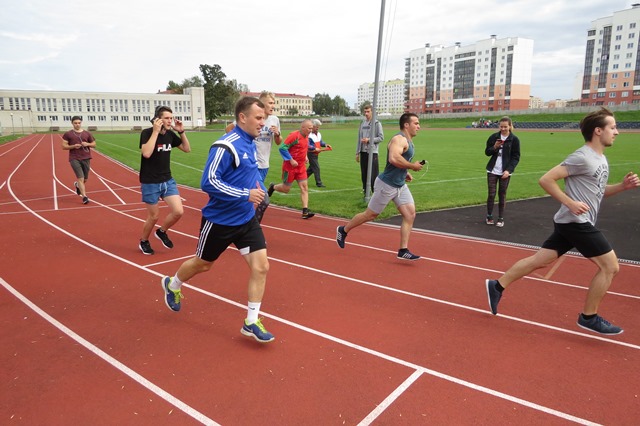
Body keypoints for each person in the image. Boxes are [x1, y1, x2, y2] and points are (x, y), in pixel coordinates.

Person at [485, 107, 640, 335]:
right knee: (610, 266)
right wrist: (570, 203)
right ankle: (589, 317)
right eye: (613, 127)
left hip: (572, 221)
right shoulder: (582, 157)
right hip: (576, 222)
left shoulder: (600, 159)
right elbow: (546, 179)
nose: (616, 132)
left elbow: (599, 191)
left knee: (540, 260)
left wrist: (622, 187)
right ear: (598, 131)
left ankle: (496, 286)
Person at [161, 96, 275, 343]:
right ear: (242, 118)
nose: (262, 123)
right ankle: (173, 283)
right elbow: (208, 182)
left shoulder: (251, 143)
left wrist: (258, 188)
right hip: (220, 221)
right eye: (258, 117)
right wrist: (246, 194)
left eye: (264, 118)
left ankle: (251, 321)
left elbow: (248, 173)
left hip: (245, 220)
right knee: (203, 264)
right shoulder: (226, 146)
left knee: (261, 266)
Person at [336, 113, 424, 260]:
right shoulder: (399, 139)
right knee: (370, 215)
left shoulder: (409, 141)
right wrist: (411, 166)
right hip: (387, 185)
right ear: (406, 125)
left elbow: (398, 161)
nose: (418, 126)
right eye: (416, 123)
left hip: (400, 185)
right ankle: (343, 230)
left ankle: (403, 250)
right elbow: (394, 158)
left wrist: (405, 171)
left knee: (410, 214)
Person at [138, 106, 191, 255]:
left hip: (167, 180)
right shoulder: (147, 133)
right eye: (167, 118)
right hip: (150, 181)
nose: (170, 121)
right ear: (158, 119)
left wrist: (181, 132)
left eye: (171, 118)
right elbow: (146, 153)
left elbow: (187, 149)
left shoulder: (170, 134)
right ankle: (144, 240)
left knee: (178, 211)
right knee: (154, 216)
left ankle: (162, 231)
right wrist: (155, 131)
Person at [226, 91, 281, 222]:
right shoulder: (251, 116)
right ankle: (252, 228)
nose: (273, 105)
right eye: (270, 103)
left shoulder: (274, 120)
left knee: (251, 198)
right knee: (263, 199)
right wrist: (244, 144)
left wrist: (278, 134)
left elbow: (279, 142)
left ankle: (239, 222)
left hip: (264, 165)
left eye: (274, 103)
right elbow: (229, 129)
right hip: (251, 164)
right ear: (262, 104)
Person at [268, 119, 316, 219]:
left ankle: (305, 212)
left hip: (301, 167)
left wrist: (305, 157)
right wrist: (291, 159)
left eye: (312, 128)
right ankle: (273, 187)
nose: (311, 130)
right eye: (309, 128)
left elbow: (303, 148)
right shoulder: (294, 136)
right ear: (302, 127)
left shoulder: (307, 136)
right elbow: (282, 148)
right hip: (290, 167)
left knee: (304, 188)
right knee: (286, 189)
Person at [484, 116, 521, 227]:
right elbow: (487, 152)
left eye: (505, 127)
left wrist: (509, 170)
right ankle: (489, 216)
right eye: (501, 127)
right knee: (491, 194)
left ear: (510, 126)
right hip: (492, 170)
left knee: (502, 194)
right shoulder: (494, 137)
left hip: (505, 171)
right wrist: (494, 147)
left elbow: (516, 157)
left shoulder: (514, 139)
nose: (503, 129)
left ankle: (500, 218)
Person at [61, 116, 96, 204]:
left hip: (86, 157)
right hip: (74, 158)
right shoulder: (68, 134)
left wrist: (87, 143)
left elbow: (94, 144)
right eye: (75, 123)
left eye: (79, 123)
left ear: (81, 123)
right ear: (72, 123)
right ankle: (84, 197)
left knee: (85, 179)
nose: (77, 124)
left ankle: (77, 185)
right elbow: (63, 146)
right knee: (80, 178)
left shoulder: (87, 133)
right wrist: (73, 146)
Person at [356, 105, 384, 195]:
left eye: (368, 111)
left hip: (372, 152)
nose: (366, 113)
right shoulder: (362, 123)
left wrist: (369, 140)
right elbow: (359, 138)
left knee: (373, 174)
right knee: (364, 174)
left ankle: (375, 193)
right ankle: (365, 192)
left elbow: (381, 138)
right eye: (365, 112)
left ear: (372, 112)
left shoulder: (377, 123)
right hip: (363, 152)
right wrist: (357, 152)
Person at [306, 119, 331, 187]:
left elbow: (320, 142)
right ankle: (319, 183)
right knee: (316, 167)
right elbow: (308, 145)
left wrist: (326, 145)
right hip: (311, 153)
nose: (318, 128)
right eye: (316, 127)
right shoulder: (309, 135)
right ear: (313, 126)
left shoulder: (319, 134)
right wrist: (314, 148)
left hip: (316, 153)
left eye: (318, 127)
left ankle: (302, 178)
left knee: (312, 167)